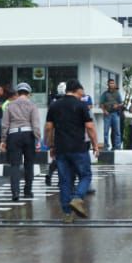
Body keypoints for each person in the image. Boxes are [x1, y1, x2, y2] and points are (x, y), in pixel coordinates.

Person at [46, 80, 100, 221]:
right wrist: (95, 145)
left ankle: (67, 214)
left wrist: (51, 145)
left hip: (61, 148)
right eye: (82, 90)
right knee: (86, 175)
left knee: (65, 181)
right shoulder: (81, 105)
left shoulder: (55, 105)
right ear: (77, 89)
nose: (83, 93)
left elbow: (49, 128)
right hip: (78, 148)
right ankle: (77, 198)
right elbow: (89, 127)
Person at [1, 82, 42, 201]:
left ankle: (15, 193)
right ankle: (28, 191)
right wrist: (38, 139)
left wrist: (3, 139)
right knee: (29, 164)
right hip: (28, 134)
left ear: (18, 93)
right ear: (28, 93)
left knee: (15, 165)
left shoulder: (10, 105)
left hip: (13, 135)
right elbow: (35, 124)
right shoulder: (32, 105)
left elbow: (5, 124)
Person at [100, 78, 125, 150]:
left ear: (114, 84)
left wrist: (117, 105)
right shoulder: (105, 94)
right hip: (107, 114)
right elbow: (101, 104)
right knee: (106, 132)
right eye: (110, 83)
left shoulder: (117, 93)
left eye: (113, 83)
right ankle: (106, 146)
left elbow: (121, 103)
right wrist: (104, 111)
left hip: (115, 114)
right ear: (108, 84)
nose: (112, 84)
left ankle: (117, 146)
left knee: (117, 131)